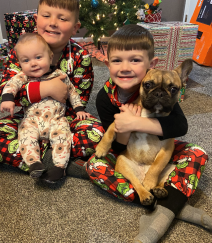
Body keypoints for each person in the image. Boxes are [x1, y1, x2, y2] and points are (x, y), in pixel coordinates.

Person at [86, 24, 211, 242]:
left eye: (135, 60)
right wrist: (123, 128)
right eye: (117, 60)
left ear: (150, 65)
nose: (125, 67)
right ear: (106, 63)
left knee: (198, 152)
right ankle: (169, 200)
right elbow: (117, 148)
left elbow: (180, 127)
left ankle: (156, 196)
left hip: (159, 159)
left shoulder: (163, 82)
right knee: (94, 165)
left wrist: (137, 122)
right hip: (128, 154)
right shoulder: (105, 98)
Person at [0, 0, 104, 182]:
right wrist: (44, 88)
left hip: (63, 119)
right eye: (46, 16)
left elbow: (80, 99)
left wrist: (71, 106)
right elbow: (4, 90)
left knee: (98, 133)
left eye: (62, 18)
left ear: (75, 27)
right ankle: (56, 160)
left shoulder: (80, 56)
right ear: (36, 20)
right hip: (28, 118)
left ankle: (29, 156)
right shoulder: (20, 50)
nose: (53, 23)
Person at [0, 33, 90, 182]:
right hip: (32, 120)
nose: (33, 64)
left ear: (50, 57)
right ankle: (34, 163)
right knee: (25, 136)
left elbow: (72, 92)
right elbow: (11, 85)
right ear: (20, 64)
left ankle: (59, 168)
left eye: (38, 58)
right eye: (26, 60)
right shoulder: (24, 76)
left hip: (57, 119)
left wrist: (79, 108)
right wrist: (8, 98)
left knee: (64, 135)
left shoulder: (60, 75)